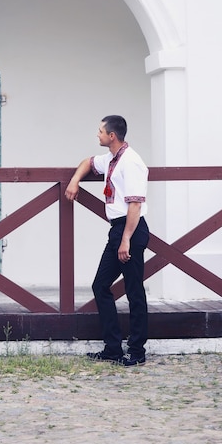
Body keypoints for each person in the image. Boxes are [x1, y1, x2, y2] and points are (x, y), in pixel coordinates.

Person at [65, 115, 149, 366]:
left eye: (101, 131)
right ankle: (113, 347)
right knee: (100, 285)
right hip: (117, 229)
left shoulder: (131, 162)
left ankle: (137, 351)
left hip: (130, 230)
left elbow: (135, 204)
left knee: (134, 291)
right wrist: (74, 180)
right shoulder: (112, 158)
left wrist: (125, 240)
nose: (98, 135)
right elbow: (87, 162)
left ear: (112, 136)